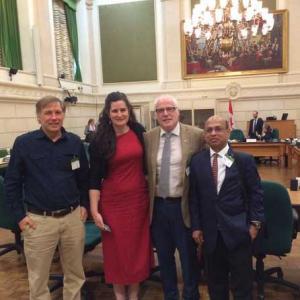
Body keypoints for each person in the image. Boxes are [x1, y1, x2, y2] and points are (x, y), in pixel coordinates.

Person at [4, 95, 89, 300]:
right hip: (38, 221)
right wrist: (19, 216)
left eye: (58, 112)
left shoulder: (75, 142)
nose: (54, 117)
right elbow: (11, 183)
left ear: (63, 115)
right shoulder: (24, 143)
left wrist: (84, 205)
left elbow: (83, 178)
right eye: (48, 113)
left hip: (72, 219)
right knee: (38, 278)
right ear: (38, 117)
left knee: (75, 275)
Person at [190, 115, 264, 300]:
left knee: (242, 286)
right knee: (215, 285)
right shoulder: (197, 161)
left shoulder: (243, 160)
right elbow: (194, 197)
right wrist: (197, 226)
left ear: (227, 132)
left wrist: (255, 224)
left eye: (218, 129)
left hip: (238, 232)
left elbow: (256, 194)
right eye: (209, 130)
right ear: (205, 134)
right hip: (210, 234)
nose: (213, 133)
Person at [89, 91, 152, 300]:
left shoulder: (138, 130)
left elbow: (148, 166)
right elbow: (94, 178)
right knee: (116, 250)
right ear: (108, 113)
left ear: (129, 111)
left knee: (136, 249)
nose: (119, 114)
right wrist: (94, 210)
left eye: (123, 110)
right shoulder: (99, 139)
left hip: (138, 201)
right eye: (114, 110)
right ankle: (119, 296)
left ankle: (133, 294)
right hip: (113, 203)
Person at [144, 95, 205, 300]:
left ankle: (191, 295)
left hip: (184, 207)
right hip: (158, 208)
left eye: (170, 109)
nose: (166, 113)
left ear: (178, 112)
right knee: (164, 257)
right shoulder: (148, 138)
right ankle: (170, 295)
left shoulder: (197, 135)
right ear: (155, 115)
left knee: (188, 259)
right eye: (160, 110)